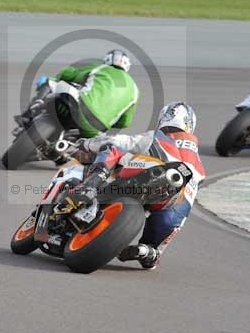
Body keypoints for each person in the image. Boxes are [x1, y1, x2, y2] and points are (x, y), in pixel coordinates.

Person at [69, 102, 206, 270]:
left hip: (151, 176)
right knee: (174, 219)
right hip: (177, 203)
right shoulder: (198, 161)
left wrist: (86, 144)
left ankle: (90, 186)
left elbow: (119, 140)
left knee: (113, 150)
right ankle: (150, 252)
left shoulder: (158, 136)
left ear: (164, 118)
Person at [53, 49, 139, 138]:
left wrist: (58, 77)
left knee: (50, 83)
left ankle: (37, 105)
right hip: (97, 127)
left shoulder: (101, 68)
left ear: (107, 60)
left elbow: (68, 74)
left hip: (82, 108)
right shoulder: (135, 90)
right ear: (127, 65)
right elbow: (124, 123)